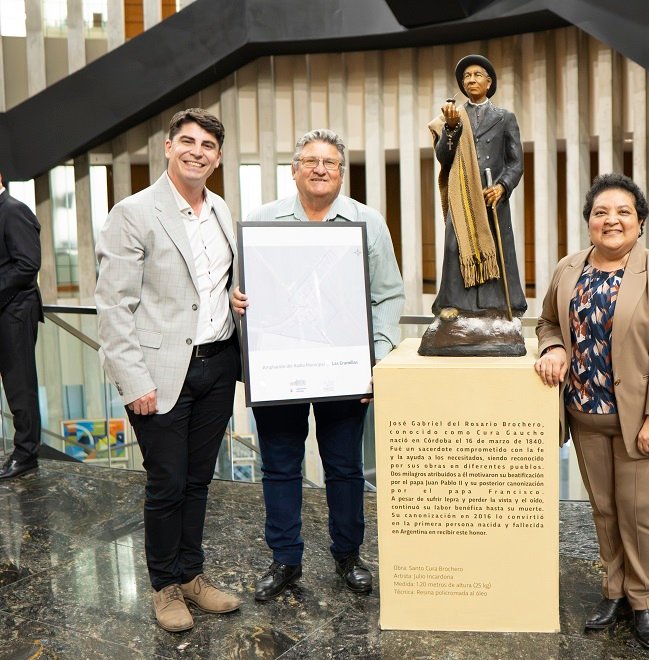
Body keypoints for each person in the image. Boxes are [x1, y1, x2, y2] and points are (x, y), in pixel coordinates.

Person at [232, 129, 403, 602]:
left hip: (345, 368)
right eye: (311, 161)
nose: (321, 169)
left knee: (345, 468)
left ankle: (348, 556)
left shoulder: (367, 222)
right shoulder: (262, 220)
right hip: (278, 366)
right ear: (295, 170)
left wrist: (375, 359)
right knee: (279, 467)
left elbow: (389, 295)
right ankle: (285, 559)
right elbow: (239, 290)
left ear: (341, 173)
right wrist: (236, 300)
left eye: (330, 163)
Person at [95, 108, 242, 632]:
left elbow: (213, 284)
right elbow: (114, 306)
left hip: (218, 363)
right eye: (188, 141)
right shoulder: (134, 212)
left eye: (208, 145)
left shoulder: (220, 209)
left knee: (199, 480)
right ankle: (165, 587)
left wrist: (234, 298)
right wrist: (134, 381)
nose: (197, 152)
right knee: (167, 482)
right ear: (168, 147)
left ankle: (192, 574)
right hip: (159, 372)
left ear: (217, 157)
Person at [535, 173, 649, 650]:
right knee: (604, 510)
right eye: (601, 212)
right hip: (585, 416)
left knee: (640, 512)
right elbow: (546, 322)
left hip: (642, 421)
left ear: (640, 222)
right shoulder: (568, 268)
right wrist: (553, 346)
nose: (612, 220)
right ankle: (614, 590)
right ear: (589, 222)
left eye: (624, 212)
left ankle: (645, 600)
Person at [421, 54, 525, 355]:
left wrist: (503, 187)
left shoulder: (505, 117)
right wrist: (452, 130)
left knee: (499, 251)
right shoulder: (453, 117)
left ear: (489, 82)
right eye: (466, 76)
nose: (471, 80)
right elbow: (444, 158)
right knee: (455, 248)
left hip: (492, 198)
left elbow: (516, 162)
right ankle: (454, 305)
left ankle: (498, 307)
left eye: (477, 75)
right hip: (462, 195)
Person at [0, 172, 43, 481]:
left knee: (20, 386)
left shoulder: (14, 210)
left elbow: (28, 264)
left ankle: (26, 455)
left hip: (14, 313)